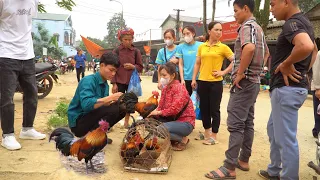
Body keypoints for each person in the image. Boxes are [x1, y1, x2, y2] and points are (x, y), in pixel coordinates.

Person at [204, 0, 269, 179]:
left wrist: (240, 73)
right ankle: (243, 160)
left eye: (236, 10)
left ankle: (229, 167)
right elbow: (266, 54)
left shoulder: (247, 27)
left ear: (245, 9)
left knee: (235, 123)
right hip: (253, 82)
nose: (234, 14)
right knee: (247, 121)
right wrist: (255, 72)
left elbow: (249, 48)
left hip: (244, 83)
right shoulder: (259, 28)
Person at [259, 0, 318, 179]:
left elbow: (306, 46)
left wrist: (287, 64)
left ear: (286, 2)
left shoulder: (292, 23)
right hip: (289, 89)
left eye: (273, 4)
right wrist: (303, 70)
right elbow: (314, 50)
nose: (271, 9)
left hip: (287, 89)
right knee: (273, 129)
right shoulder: (305, 22)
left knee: (286, 139)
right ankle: (274, 170)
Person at [0, 0, 47, 151]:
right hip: (6, 54)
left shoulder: (33, 1)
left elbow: (26, 24)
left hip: (27, 55)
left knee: (32, 94)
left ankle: (27, 129)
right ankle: (8, 135)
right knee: (7, 98)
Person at [68, 52, 138, 139]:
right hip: (79, 124)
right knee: (115, 108)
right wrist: (110, 98)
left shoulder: (105, 84)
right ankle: (90, 137)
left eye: (115, 71)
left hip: (89, 117)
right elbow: (86, 105)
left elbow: (103, 106)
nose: (113, 74)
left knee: (122, 108)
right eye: (111, 70)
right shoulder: (88, 81)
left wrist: (115, 101)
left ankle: (98, 135)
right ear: (101, 65)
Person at [192, 21, 234, 145]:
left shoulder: (223, 47)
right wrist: (194, 79)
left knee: (215, 109)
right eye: (216, 30)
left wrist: (223, 72)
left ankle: (214, 136)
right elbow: (198, 63)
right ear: (209, 31)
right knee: (204, 108)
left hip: (216, 83)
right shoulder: (201, 47)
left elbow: (235, 60)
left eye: (221, 30)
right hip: (202, 81)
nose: (219, 32)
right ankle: (206, 132)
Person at [148, 62, 195, 151]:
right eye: (161, 75)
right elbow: (161, 106)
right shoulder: (165, 88)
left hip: (185, 123)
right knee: (149, 124)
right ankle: (173, 138)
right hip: (172, 120)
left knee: (160, 129)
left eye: (164, 75)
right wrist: (151, 115)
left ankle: (183, 139)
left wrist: (158, 112)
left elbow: (174, 109)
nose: (162, 78)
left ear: (173, 75)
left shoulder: (179, 88)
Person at [111, 27, 143, 128]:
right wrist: (114, 83)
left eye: (130, 39)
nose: (128, 41)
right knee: (118, 101)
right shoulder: (116, 51)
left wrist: (133, 66)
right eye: (125, 39)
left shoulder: (136, 51)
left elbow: (140, 67)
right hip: (119, 80)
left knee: (130, 102)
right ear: (120, 39)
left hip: (132, 82)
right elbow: (112, 67)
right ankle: (113, 122)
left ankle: (126, 122)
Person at [176, 26, 203, 96]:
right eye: (184, 34)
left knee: (199, 103)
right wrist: (182, 79)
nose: (186, 36)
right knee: (186, 101)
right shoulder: (180, 47)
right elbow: (180, 64)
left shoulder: (201, 45)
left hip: (199, 78)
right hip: (186, 78)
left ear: (193, 34)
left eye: (188, 33)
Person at [312, 51, 320, 138]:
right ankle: (317, 130)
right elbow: (317, 71)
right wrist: (318, 88)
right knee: (318, 112)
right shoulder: (319, 54)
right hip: (319, 87)